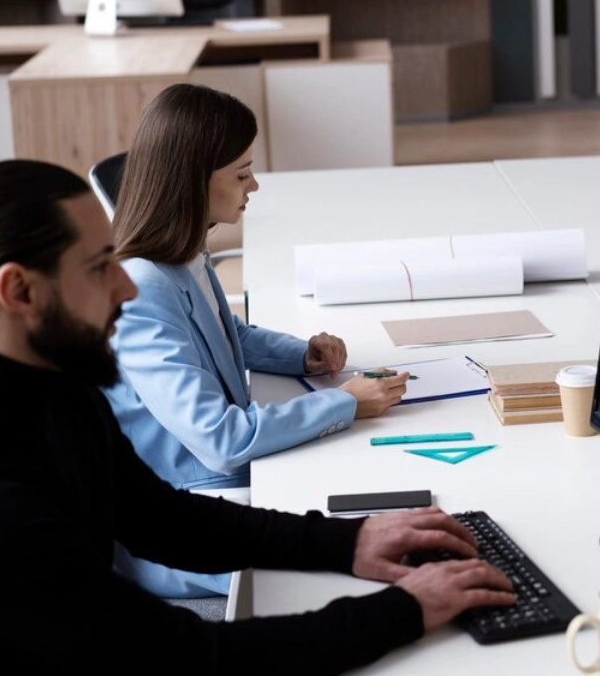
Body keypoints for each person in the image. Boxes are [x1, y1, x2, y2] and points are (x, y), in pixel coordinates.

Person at [0, 159, 514, 673]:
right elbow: (193, 658)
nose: (127, 286)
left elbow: (158, 517)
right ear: (19, 290)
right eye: (101, 267)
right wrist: (407, 609)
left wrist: (349, 542)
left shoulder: (50, 378)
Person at [103, 83, 412, 598]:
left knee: (378, 502)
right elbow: (221, 441)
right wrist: (343, 403)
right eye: (241, 174)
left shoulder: (182, 255)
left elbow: (231, 334)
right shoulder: (143, 290)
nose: (256, 186)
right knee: (371, 537)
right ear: (191, 182)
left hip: (226, 490)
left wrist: (302, 355)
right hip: (187, 522)